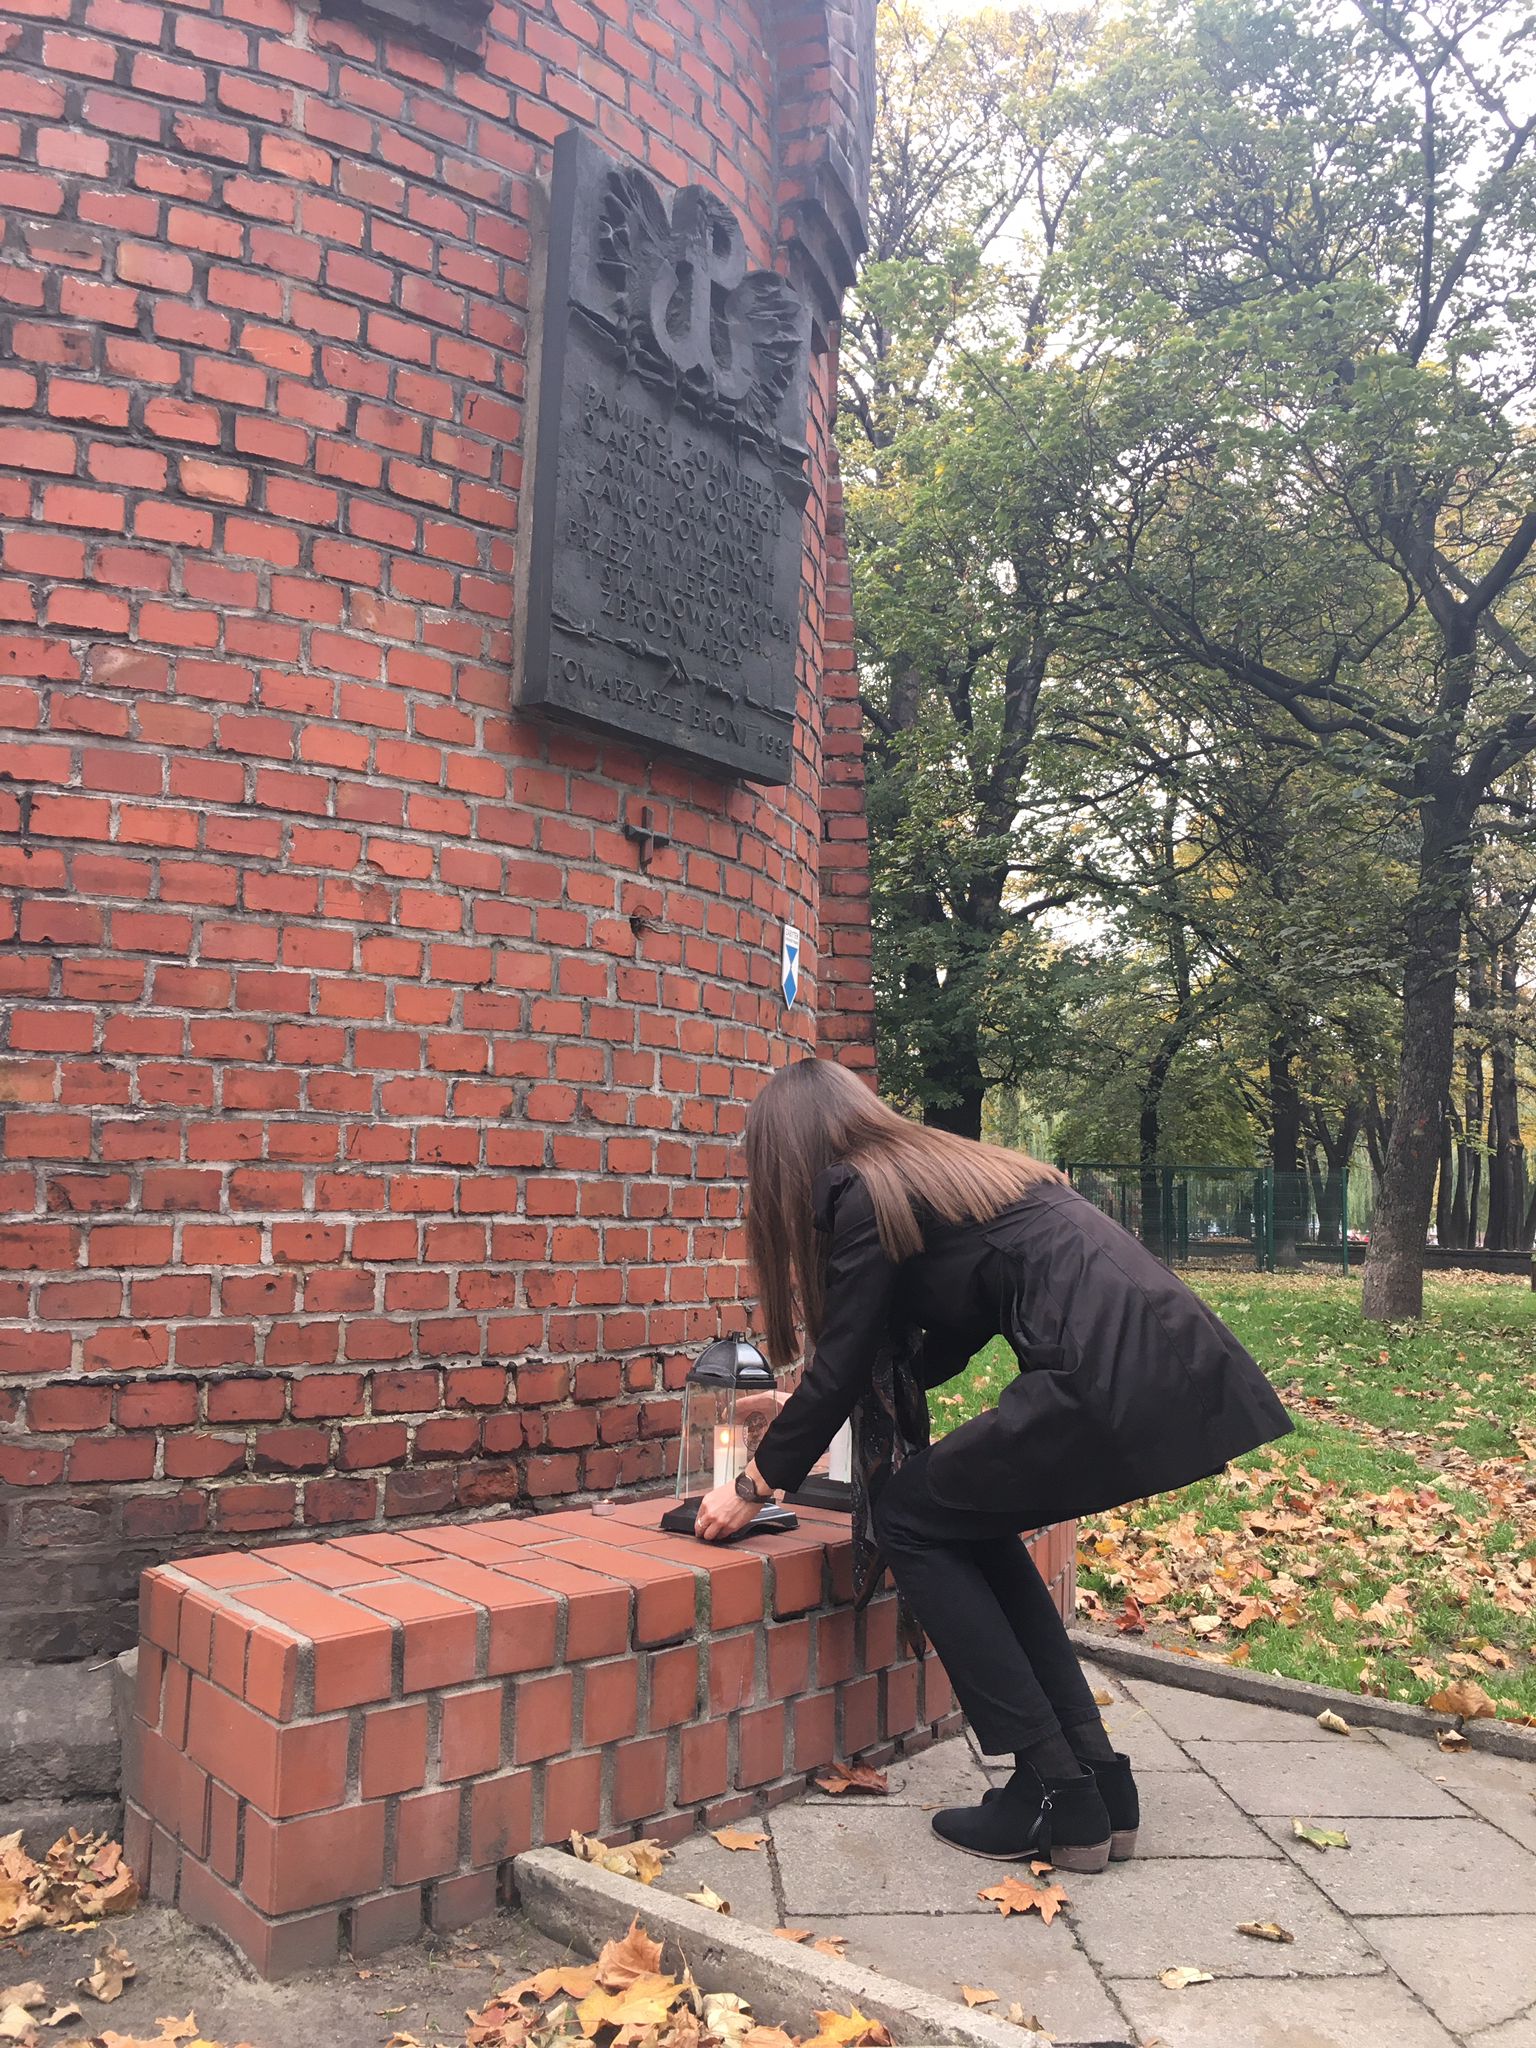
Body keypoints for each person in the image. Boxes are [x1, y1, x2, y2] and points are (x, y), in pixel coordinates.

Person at [693, 1059, 1293, 1870]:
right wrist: (801, 1400)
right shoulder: (944, 1175)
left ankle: (1055, 1792)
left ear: (789, 1150)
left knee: (909, 1514)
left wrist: (754, 1484)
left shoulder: (863, 1192)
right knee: (960, 1517)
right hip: (1155, 1360)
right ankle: (1098, 1782)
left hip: (1102, 1375)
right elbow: (937, 1338)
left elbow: (847, 1360)